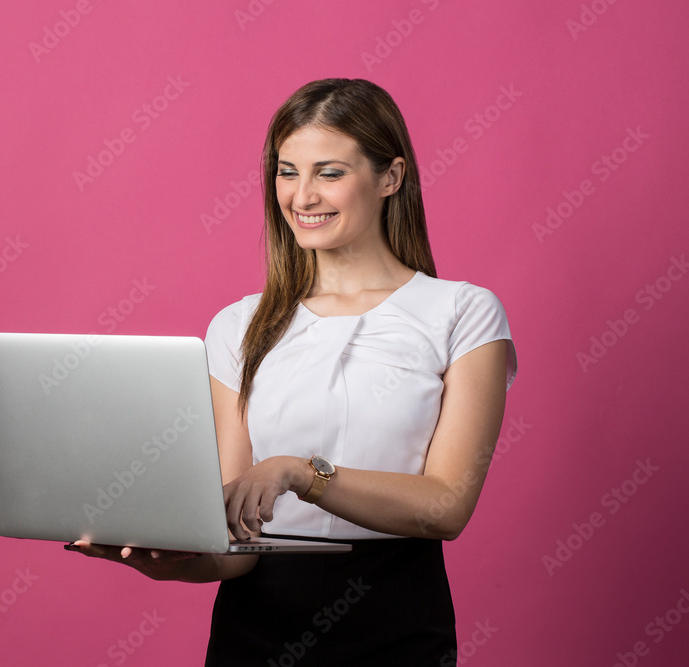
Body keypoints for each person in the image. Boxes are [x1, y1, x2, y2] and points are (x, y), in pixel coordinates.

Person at [69, 78, 518, 665]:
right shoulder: (239, 324)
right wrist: (168, 560)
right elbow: (236, 542)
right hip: (253, 632)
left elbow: (446, 507)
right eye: (287, 172)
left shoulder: (462, 311)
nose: (302, 196)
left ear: (391, 177)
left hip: (397, 623)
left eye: (329, 173)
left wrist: (300, 473)